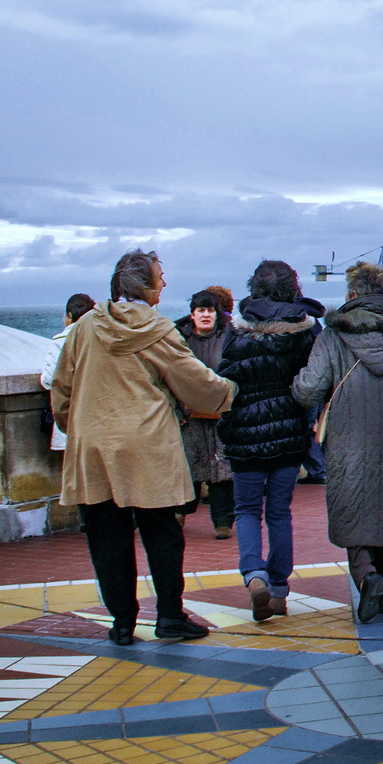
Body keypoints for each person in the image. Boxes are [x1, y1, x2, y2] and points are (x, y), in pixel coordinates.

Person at [52, 251, 233, 645]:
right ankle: (169, 615)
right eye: (160, 277)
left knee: (106, 535)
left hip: (94, 446)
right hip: (148, 443)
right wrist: (231, 393)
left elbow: (61, 387)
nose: (164, 284)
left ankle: (121, 622)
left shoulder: (84, 328)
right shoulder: (158, 329)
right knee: (162, 532)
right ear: (146, 286)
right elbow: (195, 383)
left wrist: (78, 426)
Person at [292, 261, 383, 622]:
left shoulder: (334, 335)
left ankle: (366, 576)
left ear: (352, 296)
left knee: (353, 508)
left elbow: (309, 390)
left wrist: (295, 383)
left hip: (348, 442)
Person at [219, 260, 324, 621]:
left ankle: (254, 576)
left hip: (244, 434)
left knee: (247, 510)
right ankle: (278, 590)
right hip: (290, 434)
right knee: (280, 511)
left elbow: (225, 377)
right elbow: (315, 380)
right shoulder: (308, 330)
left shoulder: (237, 329)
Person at [175, 287, 236, 538]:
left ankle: (223, 521)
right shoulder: (179, 338)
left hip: (223, 413)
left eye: (210, 310)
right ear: (192, 315)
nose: (206, 315)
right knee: (188, 467)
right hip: (189, 415)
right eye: (200, 310)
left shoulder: (229, 336)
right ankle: (179, 513)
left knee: (222, 470)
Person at [39, 293, 97, 453]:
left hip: (71, 416)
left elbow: (50, 379)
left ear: (69, 315)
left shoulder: (61, 340)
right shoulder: (101, 337)